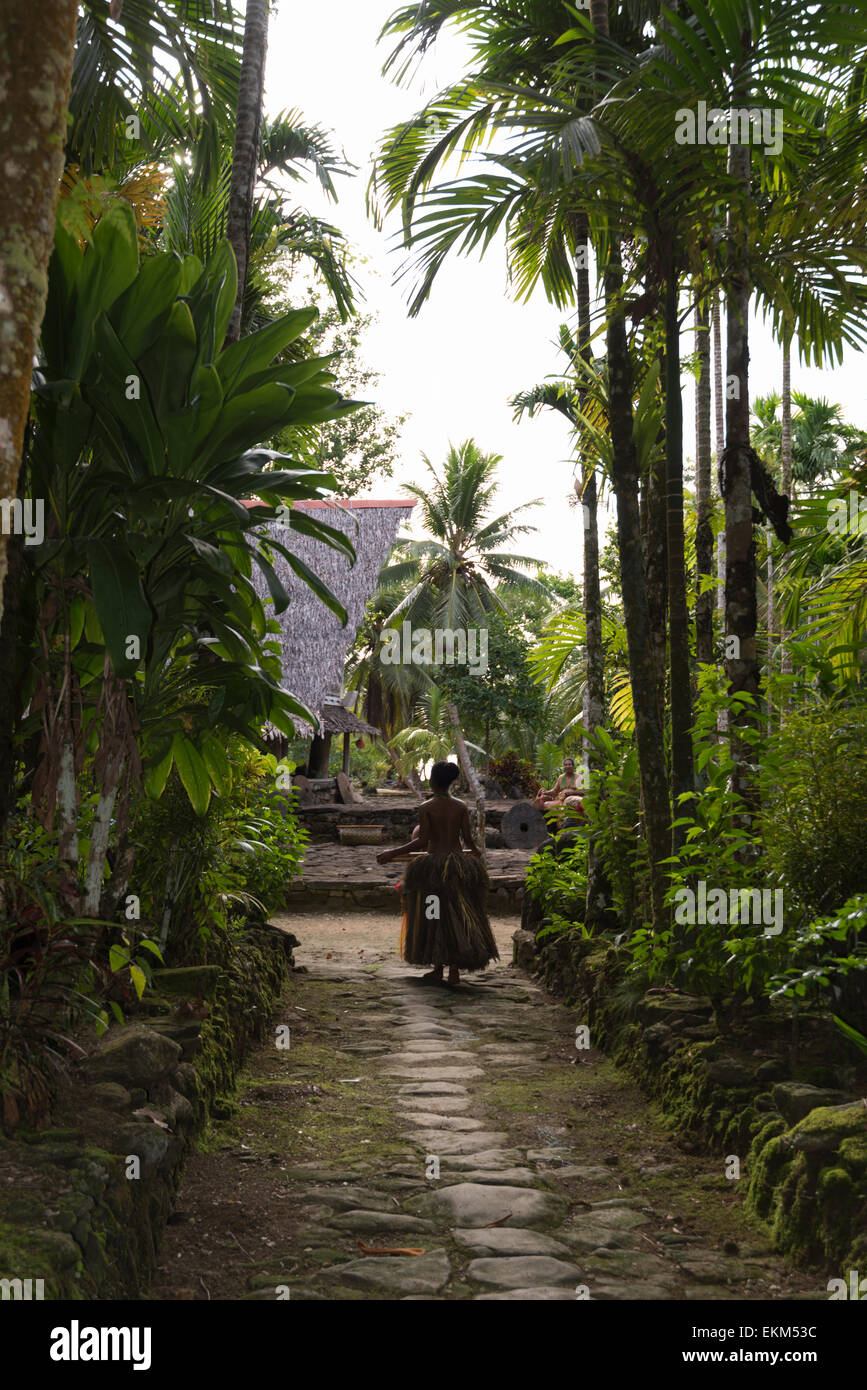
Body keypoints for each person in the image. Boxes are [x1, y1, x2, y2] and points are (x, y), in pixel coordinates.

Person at [376, 760, 499, 986]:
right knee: (459, 915)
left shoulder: (426, 808)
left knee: (434, 915)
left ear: (432, 780)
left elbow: (422, 842)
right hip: (458, 868)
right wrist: (476, 855)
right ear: (451, 782)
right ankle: (454, 971)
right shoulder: (461, 806)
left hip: (433, 872)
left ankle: (438, 967)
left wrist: (391, 852)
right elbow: (469, 842)